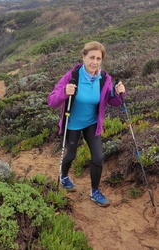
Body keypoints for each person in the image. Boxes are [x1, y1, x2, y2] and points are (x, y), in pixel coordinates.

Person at [47, 41, 126, 207]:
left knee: (98, 157)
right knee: (71, 155)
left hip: (92, 123)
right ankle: (64, 176)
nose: (94, 62)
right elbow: (52, 101)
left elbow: (113, 101)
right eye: (91, 57)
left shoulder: (104, 78)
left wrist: (119, 93)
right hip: (72, 123)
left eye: (98, 58)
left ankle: (95, 191)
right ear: (83, 57)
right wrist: (63, 92)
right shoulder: (72, 76)